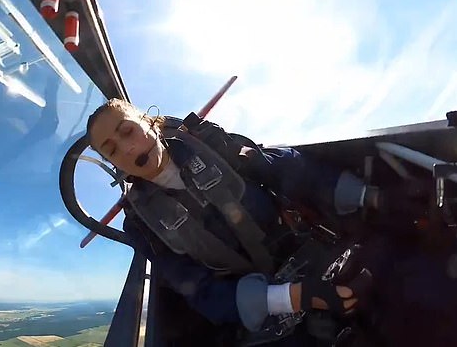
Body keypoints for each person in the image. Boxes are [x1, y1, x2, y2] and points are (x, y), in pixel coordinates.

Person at [84, 99, 403, 345]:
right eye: (111, 149)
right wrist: (301, 296)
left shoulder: (212, 144)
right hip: (265, 306)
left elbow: (290, 170)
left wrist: (370, 196)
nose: (127, 148)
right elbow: (201, 292)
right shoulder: (141, 225)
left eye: (127, 130)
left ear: (150, 122)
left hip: (315, 252)